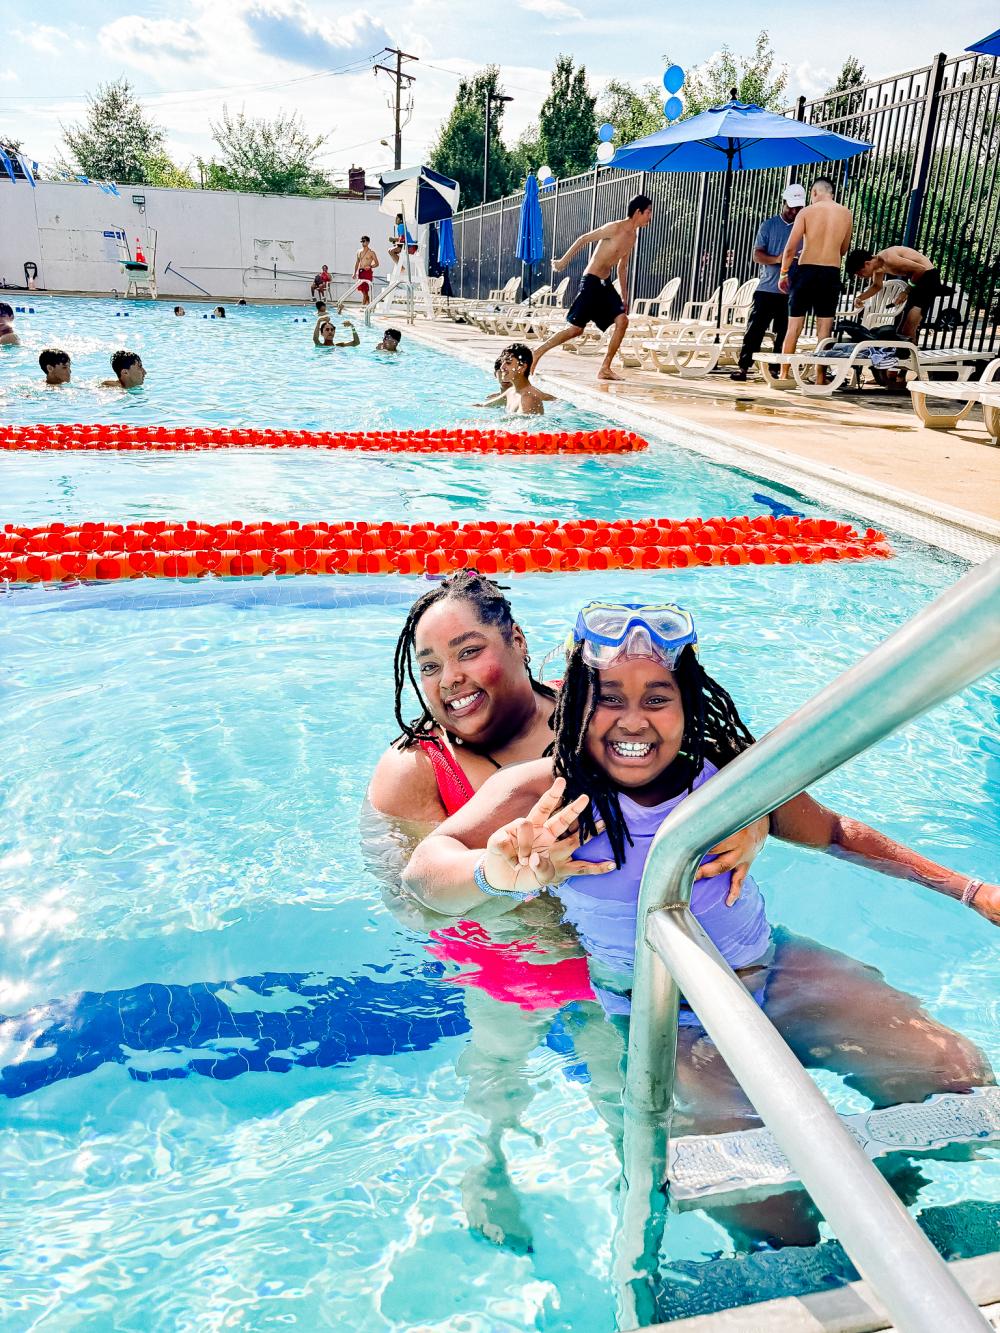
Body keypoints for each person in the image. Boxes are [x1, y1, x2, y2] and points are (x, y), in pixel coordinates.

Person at [401, 601, 996, 1235]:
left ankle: (896, 1203)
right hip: (663, 1012)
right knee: (767, 1210)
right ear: (575, 705)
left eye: (657, 698)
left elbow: (832, 831)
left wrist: (972, 891)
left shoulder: (728, 773)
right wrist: (494, 872)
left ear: (687, 707)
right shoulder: (542, 794)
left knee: (955, 1080)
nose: (633, 720)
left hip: (776, 966)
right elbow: (424, 873)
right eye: (609, 699)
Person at [531, 194, 653, 383]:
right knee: (575, 330)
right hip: (591, 282)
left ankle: (605, 368)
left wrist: (625, 296)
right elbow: (584, 239)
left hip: (605, 283)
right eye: (648, 212)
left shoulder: (633, 237)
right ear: (638, 211)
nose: (650, 216)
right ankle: (538, 351)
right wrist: (564, 261)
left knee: (623, 321)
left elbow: (622, 267)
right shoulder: (614, 228)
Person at [777, 177, 853, 385]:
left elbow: (791, 248)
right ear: (832, 193)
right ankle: (820, 377)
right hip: (830, 272)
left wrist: (784, 273)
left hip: (806, 271)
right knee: (824, 329)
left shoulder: (806, 212)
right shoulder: (846, 213)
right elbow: (844, 248)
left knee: (794, 326)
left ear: (813, 193)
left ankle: (784, 374)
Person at [730, 184, 805, 382]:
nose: (794, 212)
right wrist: (778, 259)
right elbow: (757, 255)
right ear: (783, 203)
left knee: (784, 332)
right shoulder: (769, 225)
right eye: (791, 207)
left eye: (798, 208)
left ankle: (775, 368)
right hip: (767, 288)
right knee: (755, 329)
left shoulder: (804, 228)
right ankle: (744, 367)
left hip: (791, 291)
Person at [846, 245, 947, 342]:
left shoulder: (889, 258)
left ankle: (910, 355)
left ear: (867, 263)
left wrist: (906, 292)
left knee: (909, 326)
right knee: (904, 330)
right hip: (917, 281)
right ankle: (910, 353)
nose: (860, 276)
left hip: (928, 278)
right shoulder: (878, 267)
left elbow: (920, 269)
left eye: (859, 273)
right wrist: (860, 298)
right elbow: (877, 286)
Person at [499, 343, 556, 415]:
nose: (502, 367)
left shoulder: (528, 398)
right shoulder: (511, 391)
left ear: (522, 367)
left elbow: (522, 425)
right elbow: (483, 405)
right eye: (502, 362)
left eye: (508, 362)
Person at [344, 235, 379, 310]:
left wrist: (370, 266)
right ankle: (369, 305)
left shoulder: (371, 252)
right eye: (362, 241)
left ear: (368, 242)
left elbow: (377, 263)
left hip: (367, 272)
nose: (362, 243)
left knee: (365, 290)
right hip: (361, 271)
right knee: (363, 291)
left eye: (364, 241)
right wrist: (354, 273)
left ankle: (363, 306)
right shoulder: (359, 251)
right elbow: (357, 263)